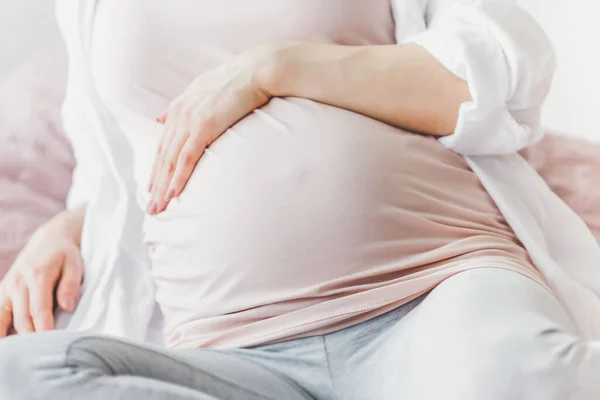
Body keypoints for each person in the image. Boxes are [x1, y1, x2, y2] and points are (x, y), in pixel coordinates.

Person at [0, 0, 599, 399]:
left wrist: (277, 67)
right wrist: (69, 227)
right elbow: (119, 168)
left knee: (523, 380)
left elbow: (492, 84)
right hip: (235, 359)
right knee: (20, 376)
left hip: (432, 292)